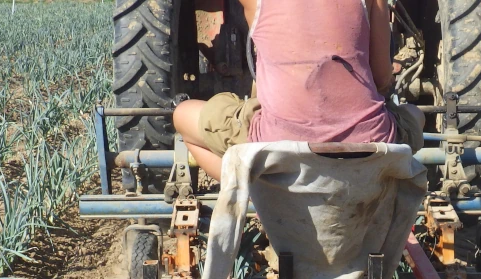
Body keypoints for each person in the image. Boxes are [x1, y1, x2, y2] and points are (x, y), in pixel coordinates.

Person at [172, 0, 425, 182]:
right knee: (416, 115)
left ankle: (257, 190)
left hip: (276, 143)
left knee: (182, 115)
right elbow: (381, 78)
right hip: (373, 141)